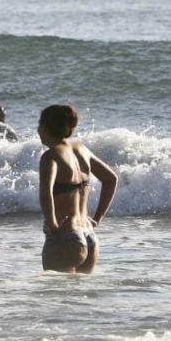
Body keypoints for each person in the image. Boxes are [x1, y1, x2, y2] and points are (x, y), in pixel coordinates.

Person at [37, 104, 118, 274]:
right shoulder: (81, 149)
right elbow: (111, 179)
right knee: (80, 299)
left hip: (65, 236)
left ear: (45, 127)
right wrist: (97, 218)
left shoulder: (51, 156)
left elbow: (46, 194)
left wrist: (52, 226)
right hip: (88, 234)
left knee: (53, 297)